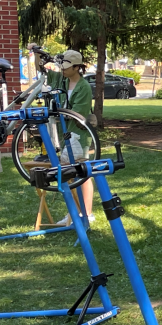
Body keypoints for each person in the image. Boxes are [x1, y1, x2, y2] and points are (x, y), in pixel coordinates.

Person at [27, 48, 96, 225]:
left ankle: (86, 214)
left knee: (82, 173)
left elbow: (76, 114)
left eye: (66, 66)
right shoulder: (61, 80)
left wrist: (56, 113)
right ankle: (73, 214)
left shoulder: (84, 87)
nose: (63, 69)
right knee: (70, 174)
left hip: (78, 134)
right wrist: (35, 53)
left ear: (77, 67)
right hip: (66, 134)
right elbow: (42, 70)